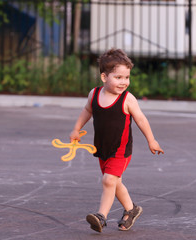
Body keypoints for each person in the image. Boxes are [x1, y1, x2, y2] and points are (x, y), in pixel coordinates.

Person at [70, 48, 164, 232]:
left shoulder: (128, 99)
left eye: (127, 78)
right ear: (104, 77)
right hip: (102, 148)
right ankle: (131, 209)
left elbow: (141, 120)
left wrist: (151, 140)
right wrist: (76, 129)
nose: (124, 82)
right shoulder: (94, 94)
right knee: (114, 182)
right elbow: (87, 111)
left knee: (108, 181)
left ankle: (101, 216)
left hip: (120, 150)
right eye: (118, 77)